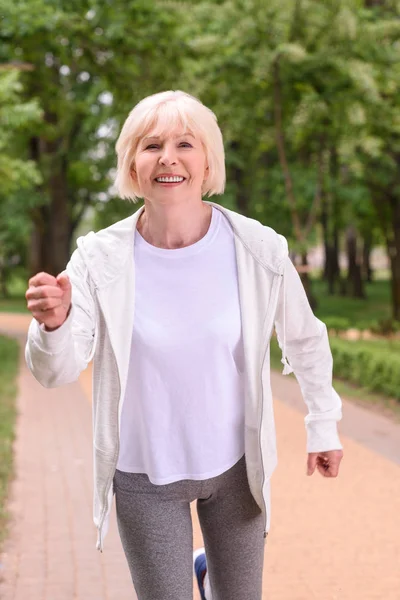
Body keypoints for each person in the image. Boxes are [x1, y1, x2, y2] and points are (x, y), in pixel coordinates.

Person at [25, 90, 343, 600]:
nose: (168, 157)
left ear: (208, 161)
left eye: (185, 144)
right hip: (143, 473)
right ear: (132, 163)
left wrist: (322, 424)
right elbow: (55, 371)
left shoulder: (257, 248)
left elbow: (305, 337)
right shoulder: (97, 259)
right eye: (151, 145)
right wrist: (55, 325)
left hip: (236, 466)